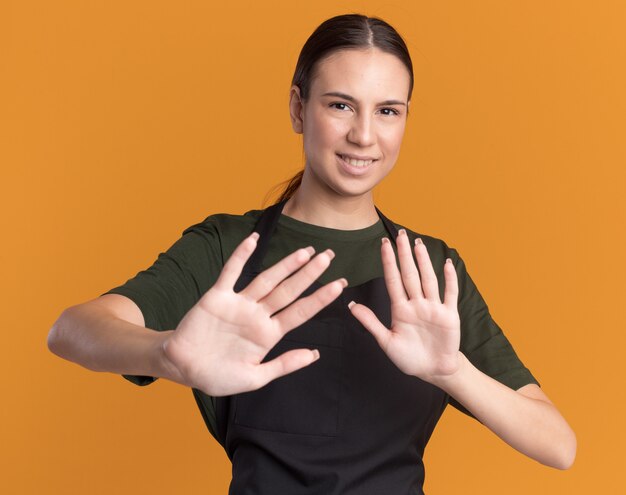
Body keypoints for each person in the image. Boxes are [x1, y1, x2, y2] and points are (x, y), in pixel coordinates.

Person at [47, 13, 576, 495]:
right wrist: (167, 354)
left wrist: (450, 371)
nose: (364, 135)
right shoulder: (229, 247)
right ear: (299, 108)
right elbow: (72, 330)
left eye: (388, 111)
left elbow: (558, 445)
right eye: (340, 105)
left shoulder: (428, 270)